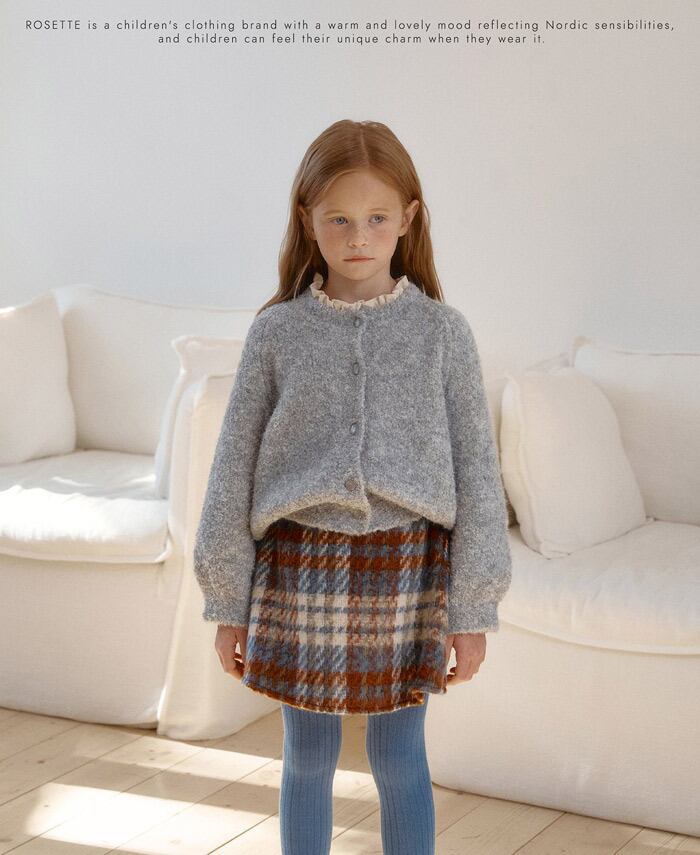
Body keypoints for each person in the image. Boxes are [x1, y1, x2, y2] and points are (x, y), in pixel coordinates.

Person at [193, 119, 512, 855]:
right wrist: (227, 599)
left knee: (399, 756)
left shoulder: (443, 333)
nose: (358, 236)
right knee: (307, 755)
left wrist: (473, 607)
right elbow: (232, 468)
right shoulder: (276, 333)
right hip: (297, 566)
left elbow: (478, 474)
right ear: (307, 219)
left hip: (407, 569)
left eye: (376, 218)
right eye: (338, 218)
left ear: (408, 218)